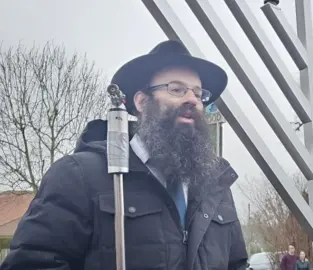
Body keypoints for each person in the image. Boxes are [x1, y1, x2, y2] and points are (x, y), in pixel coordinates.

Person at [0, 40, 248, 270]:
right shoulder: (79, 176)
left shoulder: (214, 185)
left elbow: (236, 264)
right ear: (141, 102)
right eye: (177, 89)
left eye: (198, 93)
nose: (192, 100)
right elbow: (32, 263)